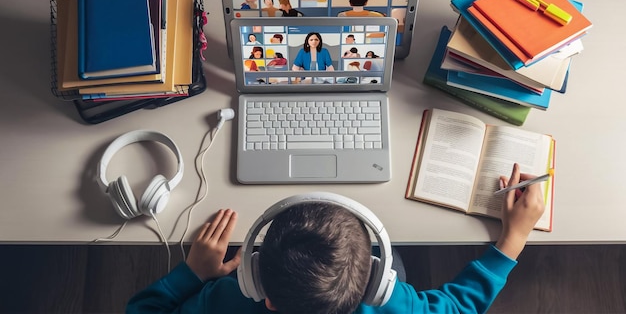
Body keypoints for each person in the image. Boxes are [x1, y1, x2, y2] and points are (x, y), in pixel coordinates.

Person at [127, 163, 545, 313]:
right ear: (375, 283)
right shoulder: (391, 305)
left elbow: (142, 312)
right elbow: (458, 309)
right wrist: (514, 238)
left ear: (256, 283)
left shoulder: (224, 300)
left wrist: (193, 274)